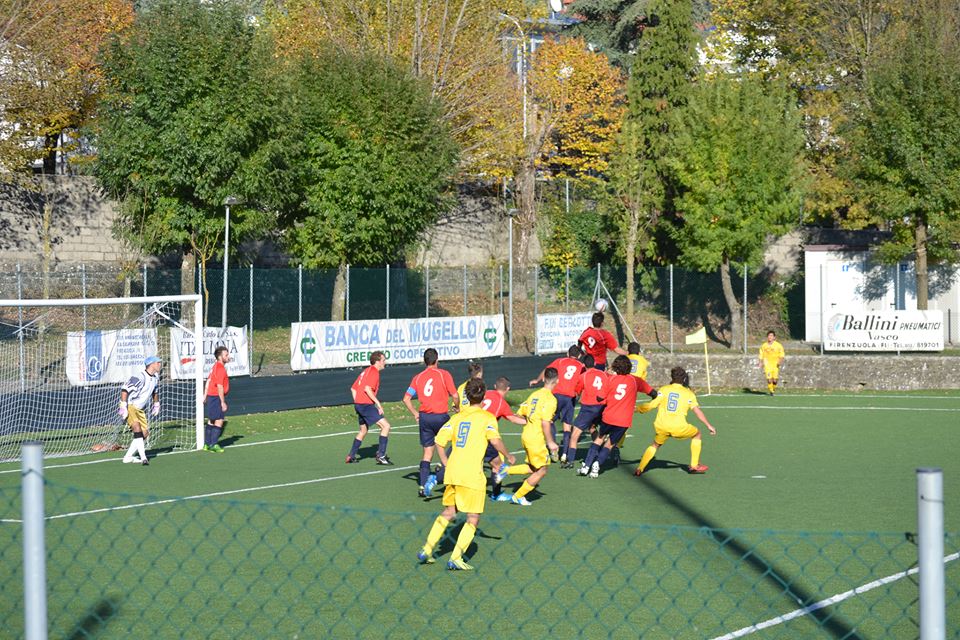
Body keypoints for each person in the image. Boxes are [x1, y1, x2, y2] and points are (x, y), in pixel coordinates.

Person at [417, 378, 515, 570]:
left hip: (453, 473)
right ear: (483, 395)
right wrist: (508, 455)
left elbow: (439, 441)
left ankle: (427, 549)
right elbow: (495, 441)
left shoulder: (457, 417)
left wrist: (445, 461)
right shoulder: (486, 418)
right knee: (473, 517)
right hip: (471, 475)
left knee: (449, 512)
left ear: (466, 397)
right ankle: (455, 558)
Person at [578, 355, 654, 478]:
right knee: (610, 444)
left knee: (599, 438)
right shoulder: (635, 380)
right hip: (623, 421)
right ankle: (597, 465)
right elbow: (652, 392)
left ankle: (586, 466)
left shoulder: (611, 379)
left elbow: (600, 397)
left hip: (608, 417)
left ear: (615, 367)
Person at [493, 367, 560, 505]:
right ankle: (518, 496)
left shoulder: (534, 395)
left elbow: (520, 412)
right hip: (536, 438)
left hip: (526, 434)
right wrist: (551, 442)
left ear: (543, 379)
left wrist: (532, 419)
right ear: (557, 381)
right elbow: (545, 423)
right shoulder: (551, 400)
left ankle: (506, 470)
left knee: (533, 467)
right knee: (542, 470)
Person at [634, 366, 717, 476]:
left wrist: (637, 409)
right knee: (697, 434)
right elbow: (697, 412)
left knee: (655, 445)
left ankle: (640, 468)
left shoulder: (664, 389)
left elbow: (651, 405)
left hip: (662, 426)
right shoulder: (688, 393)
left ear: (672, 377)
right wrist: (708, 425)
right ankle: (694, 465)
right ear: (684, 379)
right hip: (679, 427)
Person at [403, 348, 458, 497]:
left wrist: (416, 413)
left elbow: (406, 398)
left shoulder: (418, 377)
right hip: (440, 416)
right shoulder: (443, 374)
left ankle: (422, 485)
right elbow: (455, 394)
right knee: (456, 440)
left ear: (425, 360)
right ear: (437, 360)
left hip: (425, 418)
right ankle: (443, 466)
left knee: (428, 451)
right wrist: (456, 407)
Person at [529, 345, 584, 463]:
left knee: (549, 421)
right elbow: (582, 381)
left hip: (556, 396)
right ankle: (564, 454)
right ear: (579, 356)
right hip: (570, 397)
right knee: (567, 425)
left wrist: (537, 380)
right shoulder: (581, 366)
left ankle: (553, 449)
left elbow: (547, 370)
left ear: (567, 354)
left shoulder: (560, 361)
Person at [478, 376, 526, 498]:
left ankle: (437, 477)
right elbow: (513, 418)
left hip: (470, 430)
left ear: (495, 386)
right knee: (498, 465)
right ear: (507, 389)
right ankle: (496, 494)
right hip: (484, 436)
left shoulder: (486, 393)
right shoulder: (501, 403)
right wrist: (530, 422)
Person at [345, 351, 392, 465]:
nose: (385, 362)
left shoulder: (366, 371)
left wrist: (357, 402)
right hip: (366, 405)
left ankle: (351, 455)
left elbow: (353, 389)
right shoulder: (374, 372)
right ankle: (381, 455)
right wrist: (378, 404)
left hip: (360, 405)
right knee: (386, 426)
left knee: (363, 430)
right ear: (377, 361)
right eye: (383, 360)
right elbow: (367, 389)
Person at [611, 341, 652, 465]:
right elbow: (642, 380)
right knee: (624, 421)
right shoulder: (644, 362)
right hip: (630, 392)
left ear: (628, 352)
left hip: (617, 388)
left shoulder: (623, 359)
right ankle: (616, 446)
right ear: (639, 352)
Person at [562, 354, 605, 468]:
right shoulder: (603, 374)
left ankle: (570, 461)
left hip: (588, 408)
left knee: (575, 434)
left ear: (584, 365)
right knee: (593, 428)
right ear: (595, 363)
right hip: (602, 406)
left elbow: (577, 392)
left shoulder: (583, 376)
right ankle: (598, 452)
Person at [119, 355, 163, 465]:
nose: (160, 365)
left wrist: (156, 404)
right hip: (130, 405)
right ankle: (144, 458)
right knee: (136, 427)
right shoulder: (140, 376)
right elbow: (125, 390)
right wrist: (123, 405)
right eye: (158, 363)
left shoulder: (155, 377)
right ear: (152, 364)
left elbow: (155, 391)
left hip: (139, 409)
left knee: (145, 433)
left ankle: (128, 457)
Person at [203, 346, 231, 453]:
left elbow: (209, 380)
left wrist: (205, 395)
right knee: (219, 420)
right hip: (216, 397)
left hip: (212, 396)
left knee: (212, 420)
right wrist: (222, 402)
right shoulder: (220, 368)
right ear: (220, 357)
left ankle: (207, 444)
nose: (228, 357)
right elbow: (220, 386)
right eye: (226, 355)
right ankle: (213, 444)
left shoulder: (215, 366)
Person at [758, 330, 785, 395]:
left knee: (775, 380)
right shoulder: (764, 346)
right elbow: (761, 354)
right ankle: (771, 391)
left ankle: (773, 388)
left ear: (774, 337)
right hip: (767, 364)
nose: (770, 337)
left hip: (775, 364)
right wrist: (760, 362)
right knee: (769, 379)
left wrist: (780, 361)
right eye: (769, 336)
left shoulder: (778, 345)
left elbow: (782, 355)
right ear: (767, 337)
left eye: (771, 336)